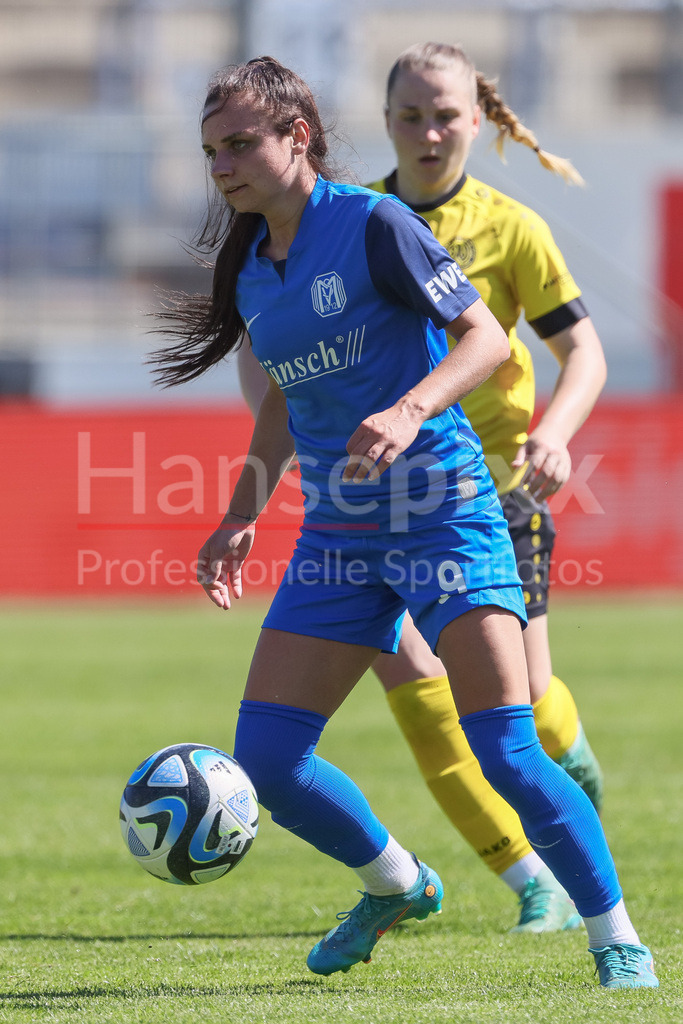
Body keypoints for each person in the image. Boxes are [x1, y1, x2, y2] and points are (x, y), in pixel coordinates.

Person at [150, 56, 658, 990]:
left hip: (444, 515)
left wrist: (409, 408)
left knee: (506, 749)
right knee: (268, 760)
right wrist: (238, 516)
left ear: (297, 137)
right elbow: (283, 399)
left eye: (240, 145)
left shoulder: (375, 223)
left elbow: (485, 338)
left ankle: (616, 937)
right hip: (339, 538)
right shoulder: (251, 263)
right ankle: (395, 882)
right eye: (211, 150)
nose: (221, 167)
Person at [236, 40, 607, 935]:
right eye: (410, 117)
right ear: (385, 123)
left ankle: (569, 763)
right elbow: (279, 365)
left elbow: (580, 353)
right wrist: (299, 448)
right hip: (368, 508)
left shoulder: (509, 227)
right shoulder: (337, 223)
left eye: (445, 116)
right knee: (423, 707)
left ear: (477, 122)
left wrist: (554, 435)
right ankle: (528, 884)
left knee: (524, 718)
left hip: (488, 492)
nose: (428, 132)